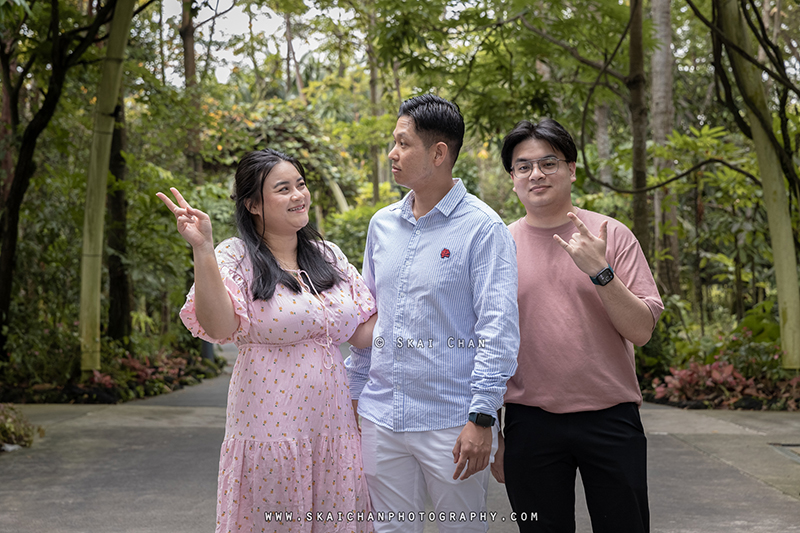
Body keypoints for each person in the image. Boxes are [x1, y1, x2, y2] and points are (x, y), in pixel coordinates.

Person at [157, 148, 377, 533]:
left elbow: (360, 331)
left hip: (334, 429)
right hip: (270, 431)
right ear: (253, 204)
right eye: (284, 188)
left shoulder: (328, 255)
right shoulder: (235, 256)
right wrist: (202, 248)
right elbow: (220, 326)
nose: (299, 195)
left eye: (301, 184)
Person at [345, 94, 520, 533]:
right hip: (382, 416)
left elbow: (498, 330)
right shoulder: (381, 225)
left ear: (439, 153)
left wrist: (482, 418)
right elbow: (370, 316)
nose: (392, 153)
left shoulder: (483, 228)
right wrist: (356, 392)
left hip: (451, 423)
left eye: (403, 143)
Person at [492, 118, 664, 533]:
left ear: (571, 169)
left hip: (610, 416)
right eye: (523, 166)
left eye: (549, 162)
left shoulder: (611, 235)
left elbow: (642, 331)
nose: (536, 174)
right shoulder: (497, 245)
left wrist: (600, 271)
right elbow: (486, 343)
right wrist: (491, 427)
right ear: (512, 178)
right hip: (528, 420)